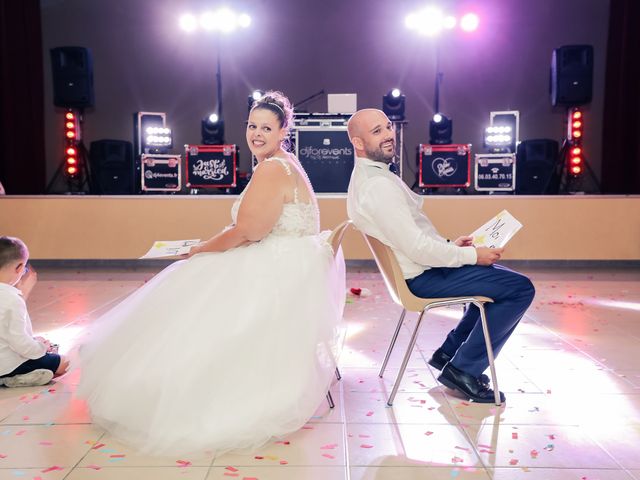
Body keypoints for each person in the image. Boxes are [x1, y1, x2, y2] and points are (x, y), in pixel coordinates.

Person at [77, 91, 346, 456]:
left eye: (266, 127)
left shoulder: (272, 169)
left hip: (281, 269)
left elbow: (248, 232)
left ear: (284, 130)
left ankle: (176, 383)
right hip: (294, 262)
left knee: (192, 276)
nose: (256, 134)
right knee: (199, 277)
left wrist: (201, 248)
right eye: (252, 126)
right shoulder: (285, 163)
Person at [346, 109, 535, 403]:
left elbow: (411, 240)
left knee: (496, 284)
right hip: (421, 278)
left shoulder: (369, 179)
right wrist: (472, 255)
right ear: (358, 143)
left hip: (421, 270)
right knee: (521, 289)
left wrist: (453, 245)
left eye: (387, 128)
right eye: (376, 132)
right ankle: (462, 370)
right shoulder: (378, 186)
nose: (387, 135)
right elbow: (418, 249)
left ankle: (450, 352)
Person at [0, 237, 69, 388]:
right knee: (66, 363)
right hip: (7, 364)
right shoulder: (12, 299)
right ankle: (14, 377)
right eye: (23, 269)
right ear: (18, 268)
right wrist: (42, 348)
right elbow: (20, 344)